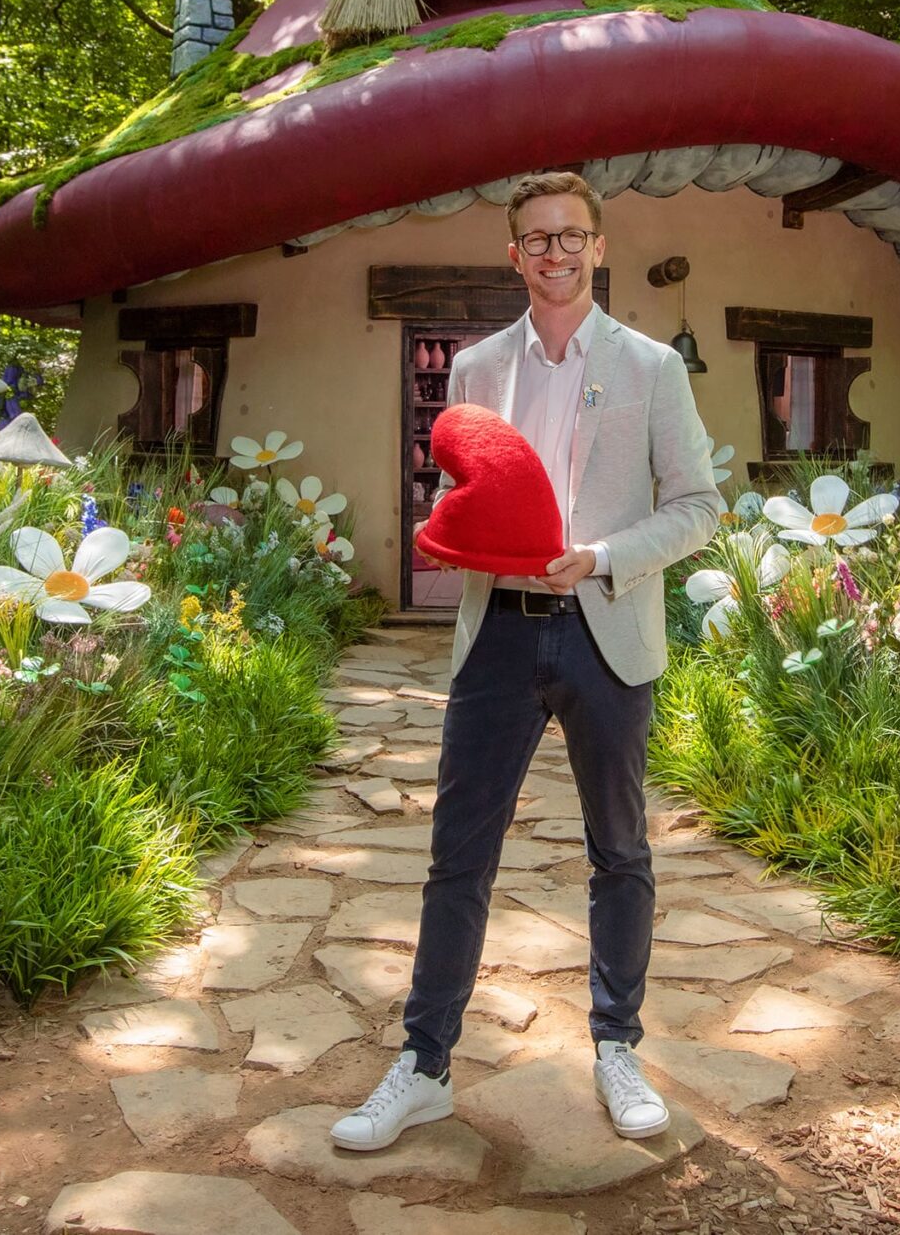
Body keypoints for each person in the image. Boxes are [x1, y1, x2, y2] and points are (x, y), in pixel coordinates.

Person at [330, 171, 723, 1151]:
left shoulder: (648, 369)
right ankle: (423, 1064)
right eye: (535, 241)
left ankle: (617, 1047)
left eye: (571, 238)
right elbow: (463, 505)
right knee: (457, 855)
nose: (554, 254)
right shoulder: (474, 370)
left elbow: (697, 507)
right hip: (497, 635)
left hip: (606, 626)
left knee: (619, 853)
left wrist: (603, 559)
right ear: (514, 256)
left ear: (597, 249)